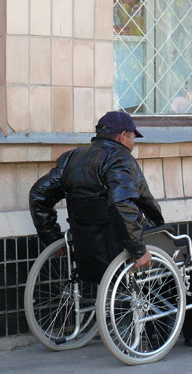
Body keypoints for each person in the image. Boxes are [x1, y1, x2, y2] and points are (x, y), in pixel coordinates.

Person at [28, 110, 165, 284]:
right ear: (122, 136)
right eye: (133, 139)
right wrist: (143, 245)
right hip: (116, 248)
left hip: (86, 250)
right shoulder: (120, 159)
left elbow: (39, 194)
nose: (132, 146)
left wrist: (52, 238)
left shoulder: (72, 158)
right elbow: (127, 202)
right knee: (181, 246)